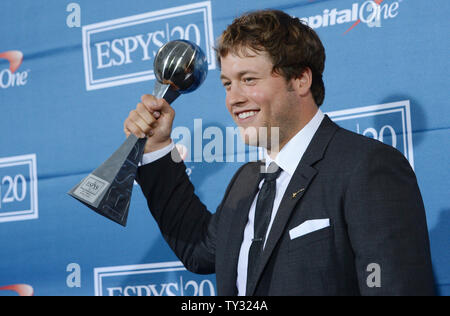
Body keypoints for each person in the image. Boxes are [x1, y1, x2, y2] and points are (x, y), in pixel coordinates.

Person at [123, 10, 435, 295]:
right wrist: (157, 149)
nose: (234, 99)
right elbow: (199, 250)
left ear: (300, 79)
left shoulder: (365, 166)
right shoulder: (246, 182)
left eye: (249, 79)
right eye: (227, 84)